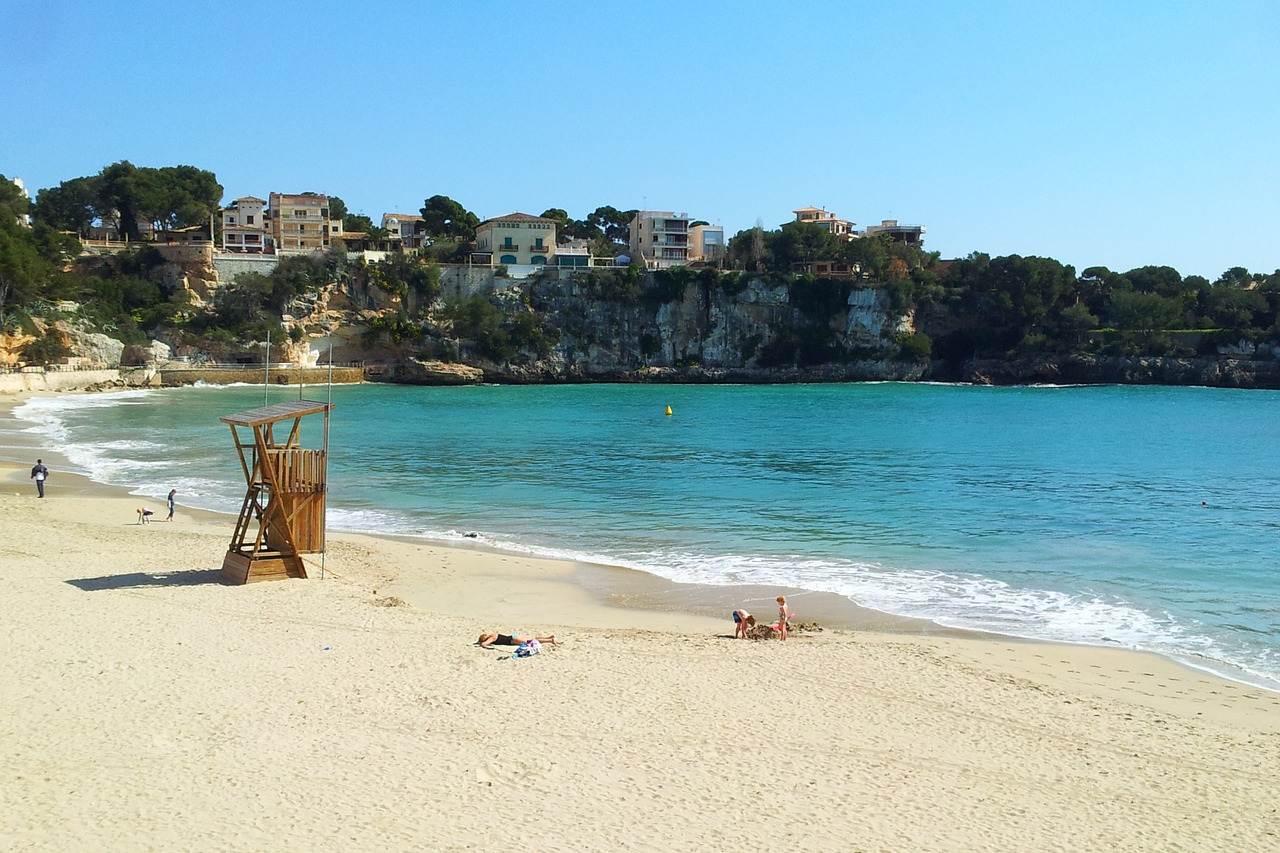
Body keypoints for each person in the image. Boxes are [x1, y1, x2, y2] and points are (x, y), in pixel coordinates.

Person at [477, 631, 557, 648]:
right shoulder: (493, 634)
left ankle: (550, 640)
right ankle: (549, 637)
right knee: (532, 638)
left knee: (531, 642)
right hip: (512, 636)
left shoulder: (491, 638)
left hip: (512, 640)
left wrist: (483, 644)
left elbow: (484, 644)